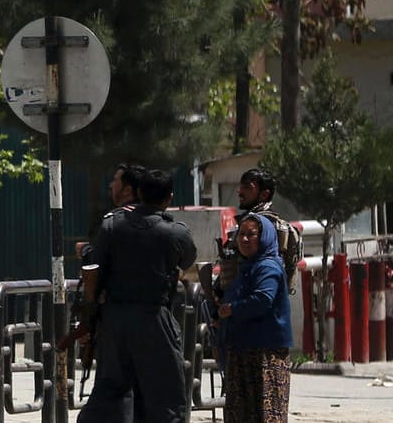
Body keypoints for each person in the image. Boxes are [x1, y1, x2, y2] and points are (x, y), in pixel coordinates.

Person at [77, 167, 197, 423]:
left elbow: (95, 265)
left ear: (139, 193)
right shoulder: (176, 233)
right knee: (165, 394)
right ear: (169, 198)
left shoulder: (112, 226)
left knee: (110, 389)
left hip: (115, 319)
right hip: (155, 318)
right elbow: (188, 259)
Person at [215, 214, 291, 423]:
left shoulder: (267, 267)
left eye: (252, 234)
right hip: (243, 350)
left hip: (264, 354)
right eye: (242, 234)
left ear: (264, 237)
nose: (245, 239)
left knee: (265, 413)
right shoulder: (249, 267)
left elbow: (263, 300)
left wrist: (232, 309)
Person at [214, 168, 300, 304]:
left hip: (251, 303)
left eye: (247, 188)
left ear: (264, 194)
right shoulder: (253, 222)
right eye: (241, 187)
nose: (240, 192)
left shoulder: (263, 226)